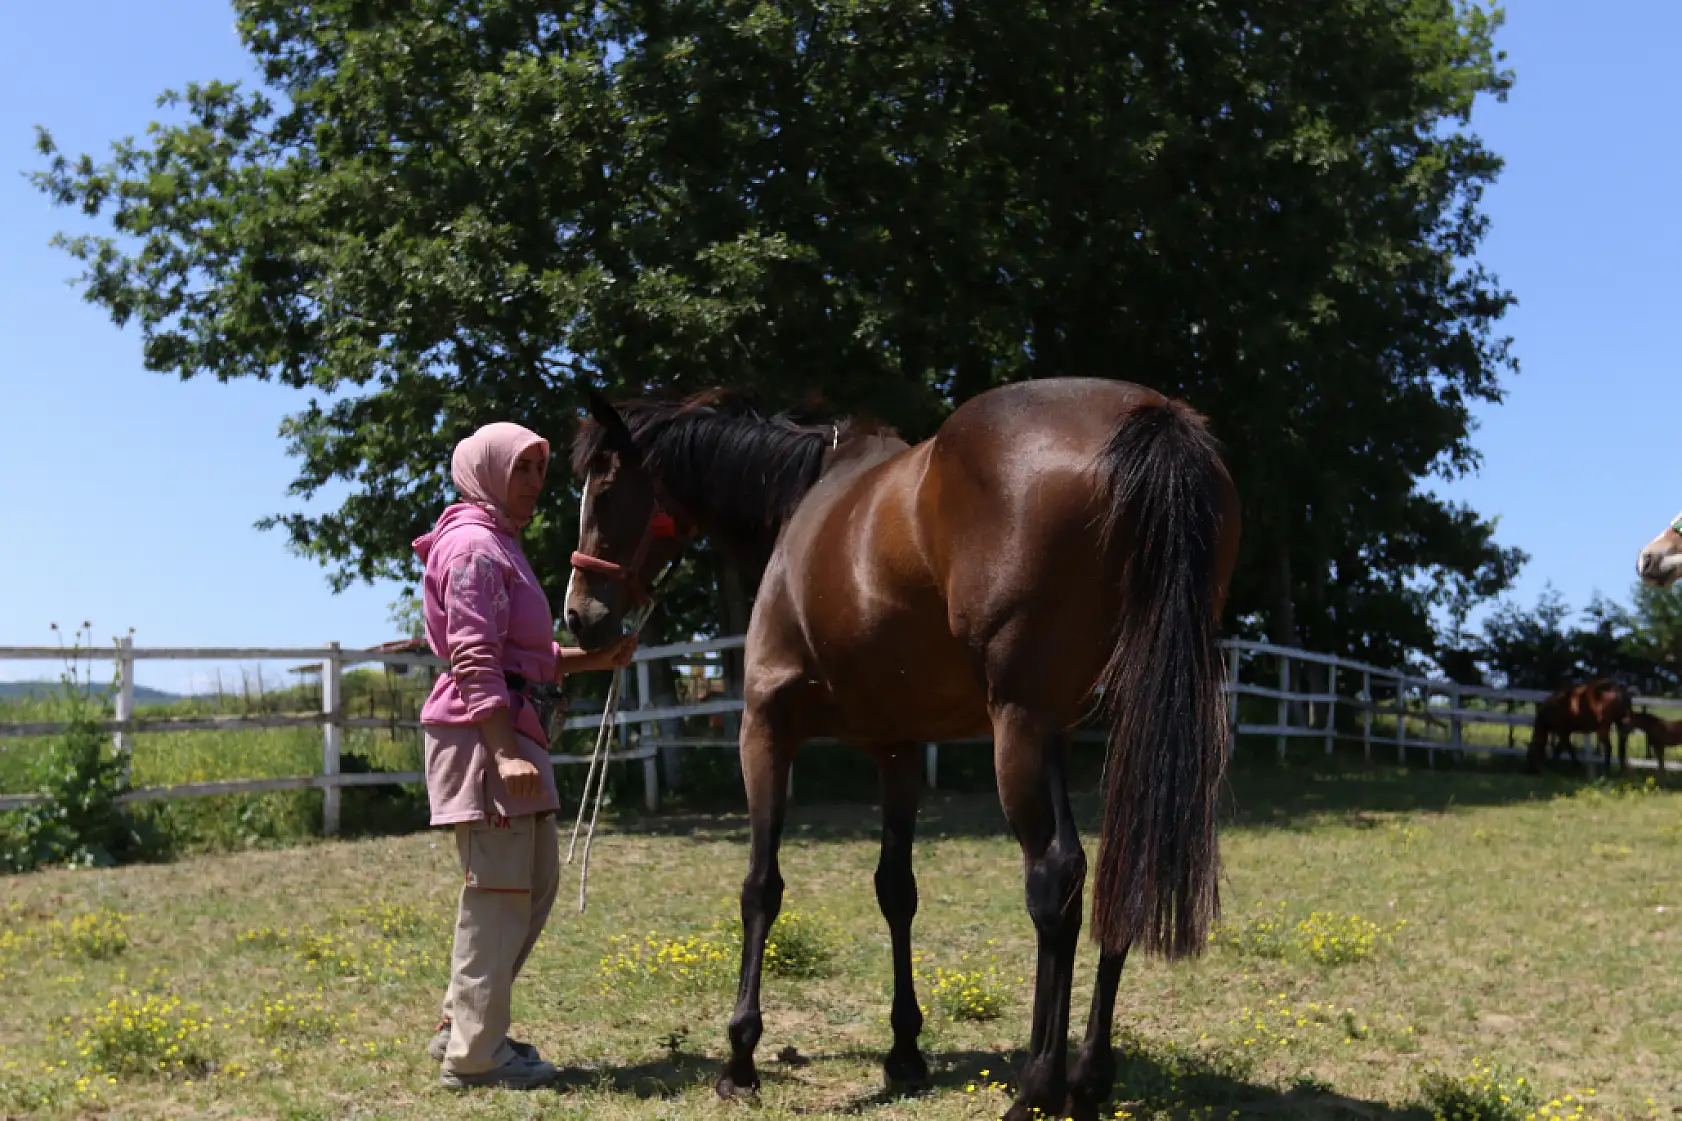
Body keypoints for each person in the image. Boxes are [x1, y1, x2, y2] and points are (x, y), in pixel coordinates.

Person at [413, 420, 637, 1090]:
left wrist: (590, 658)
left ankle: (465, 1021)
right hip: (490, 739)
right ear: (485, 469)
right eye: (522, 468)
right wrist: (504, 752)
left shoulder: (498, 546)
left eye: (540, 469)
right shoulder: (476, 550)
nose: (535, 483)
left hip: (508, 731)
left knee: (531, 884)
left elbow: (518, 656)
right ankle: (477, 1055)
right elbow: (475, 656)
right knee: (500, 892)